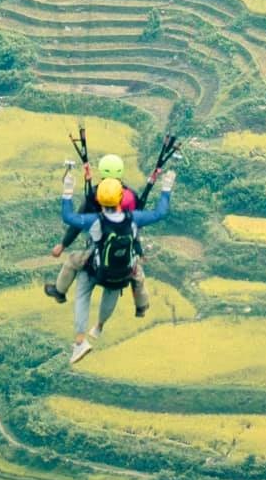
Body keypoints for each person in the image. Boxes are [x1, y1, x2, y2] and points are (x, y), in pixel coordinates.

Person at [57, 170, 174, 364]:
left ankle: (80, 341)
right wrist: (166, 187)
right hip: (121, 272)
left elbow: (68, 218)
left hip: (97, 270)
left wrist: (67, 190)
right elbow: (160, 213)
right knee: (113, 290)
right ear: (121, 198)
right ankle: (100, 326)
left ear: (100, 200)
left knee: (82, 292)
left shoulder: (95, 221)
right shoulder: (134, 218)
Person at [47, 151, 148, 314]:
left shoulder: (96, 194)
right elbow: (137, 226)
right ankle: (141, 306)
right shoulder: (132, 196)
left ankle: (59, 291)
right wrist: (139, 250)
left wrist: (63, 245)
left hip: (99, 247)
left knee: (73, 260)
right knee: (137, 274)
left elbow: (78, 223)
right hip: (126, 245)